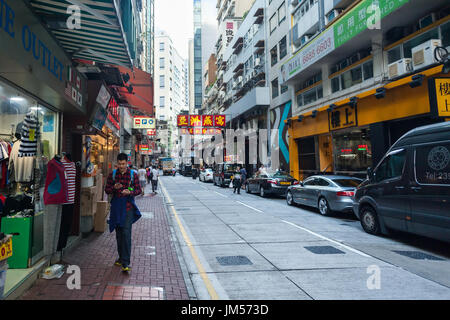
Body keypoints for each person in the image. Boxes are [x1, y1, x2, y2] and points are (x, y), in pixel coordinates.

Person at [105, 153, 142, 273]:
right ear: (117, 163)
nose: (121, 166)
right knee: (119, 234)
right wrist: (114, 188)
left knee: (126, 234)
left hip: (128, 207)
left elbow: (138, 190)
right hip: (116, 207)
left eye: (123, 164)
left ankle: (126, 262)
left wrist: (129, 191)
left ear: (127, 163)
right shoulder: (113, 174)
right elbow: (107, 189)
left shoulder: (133, 175)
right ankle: (121, 258)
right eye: (120, 164)